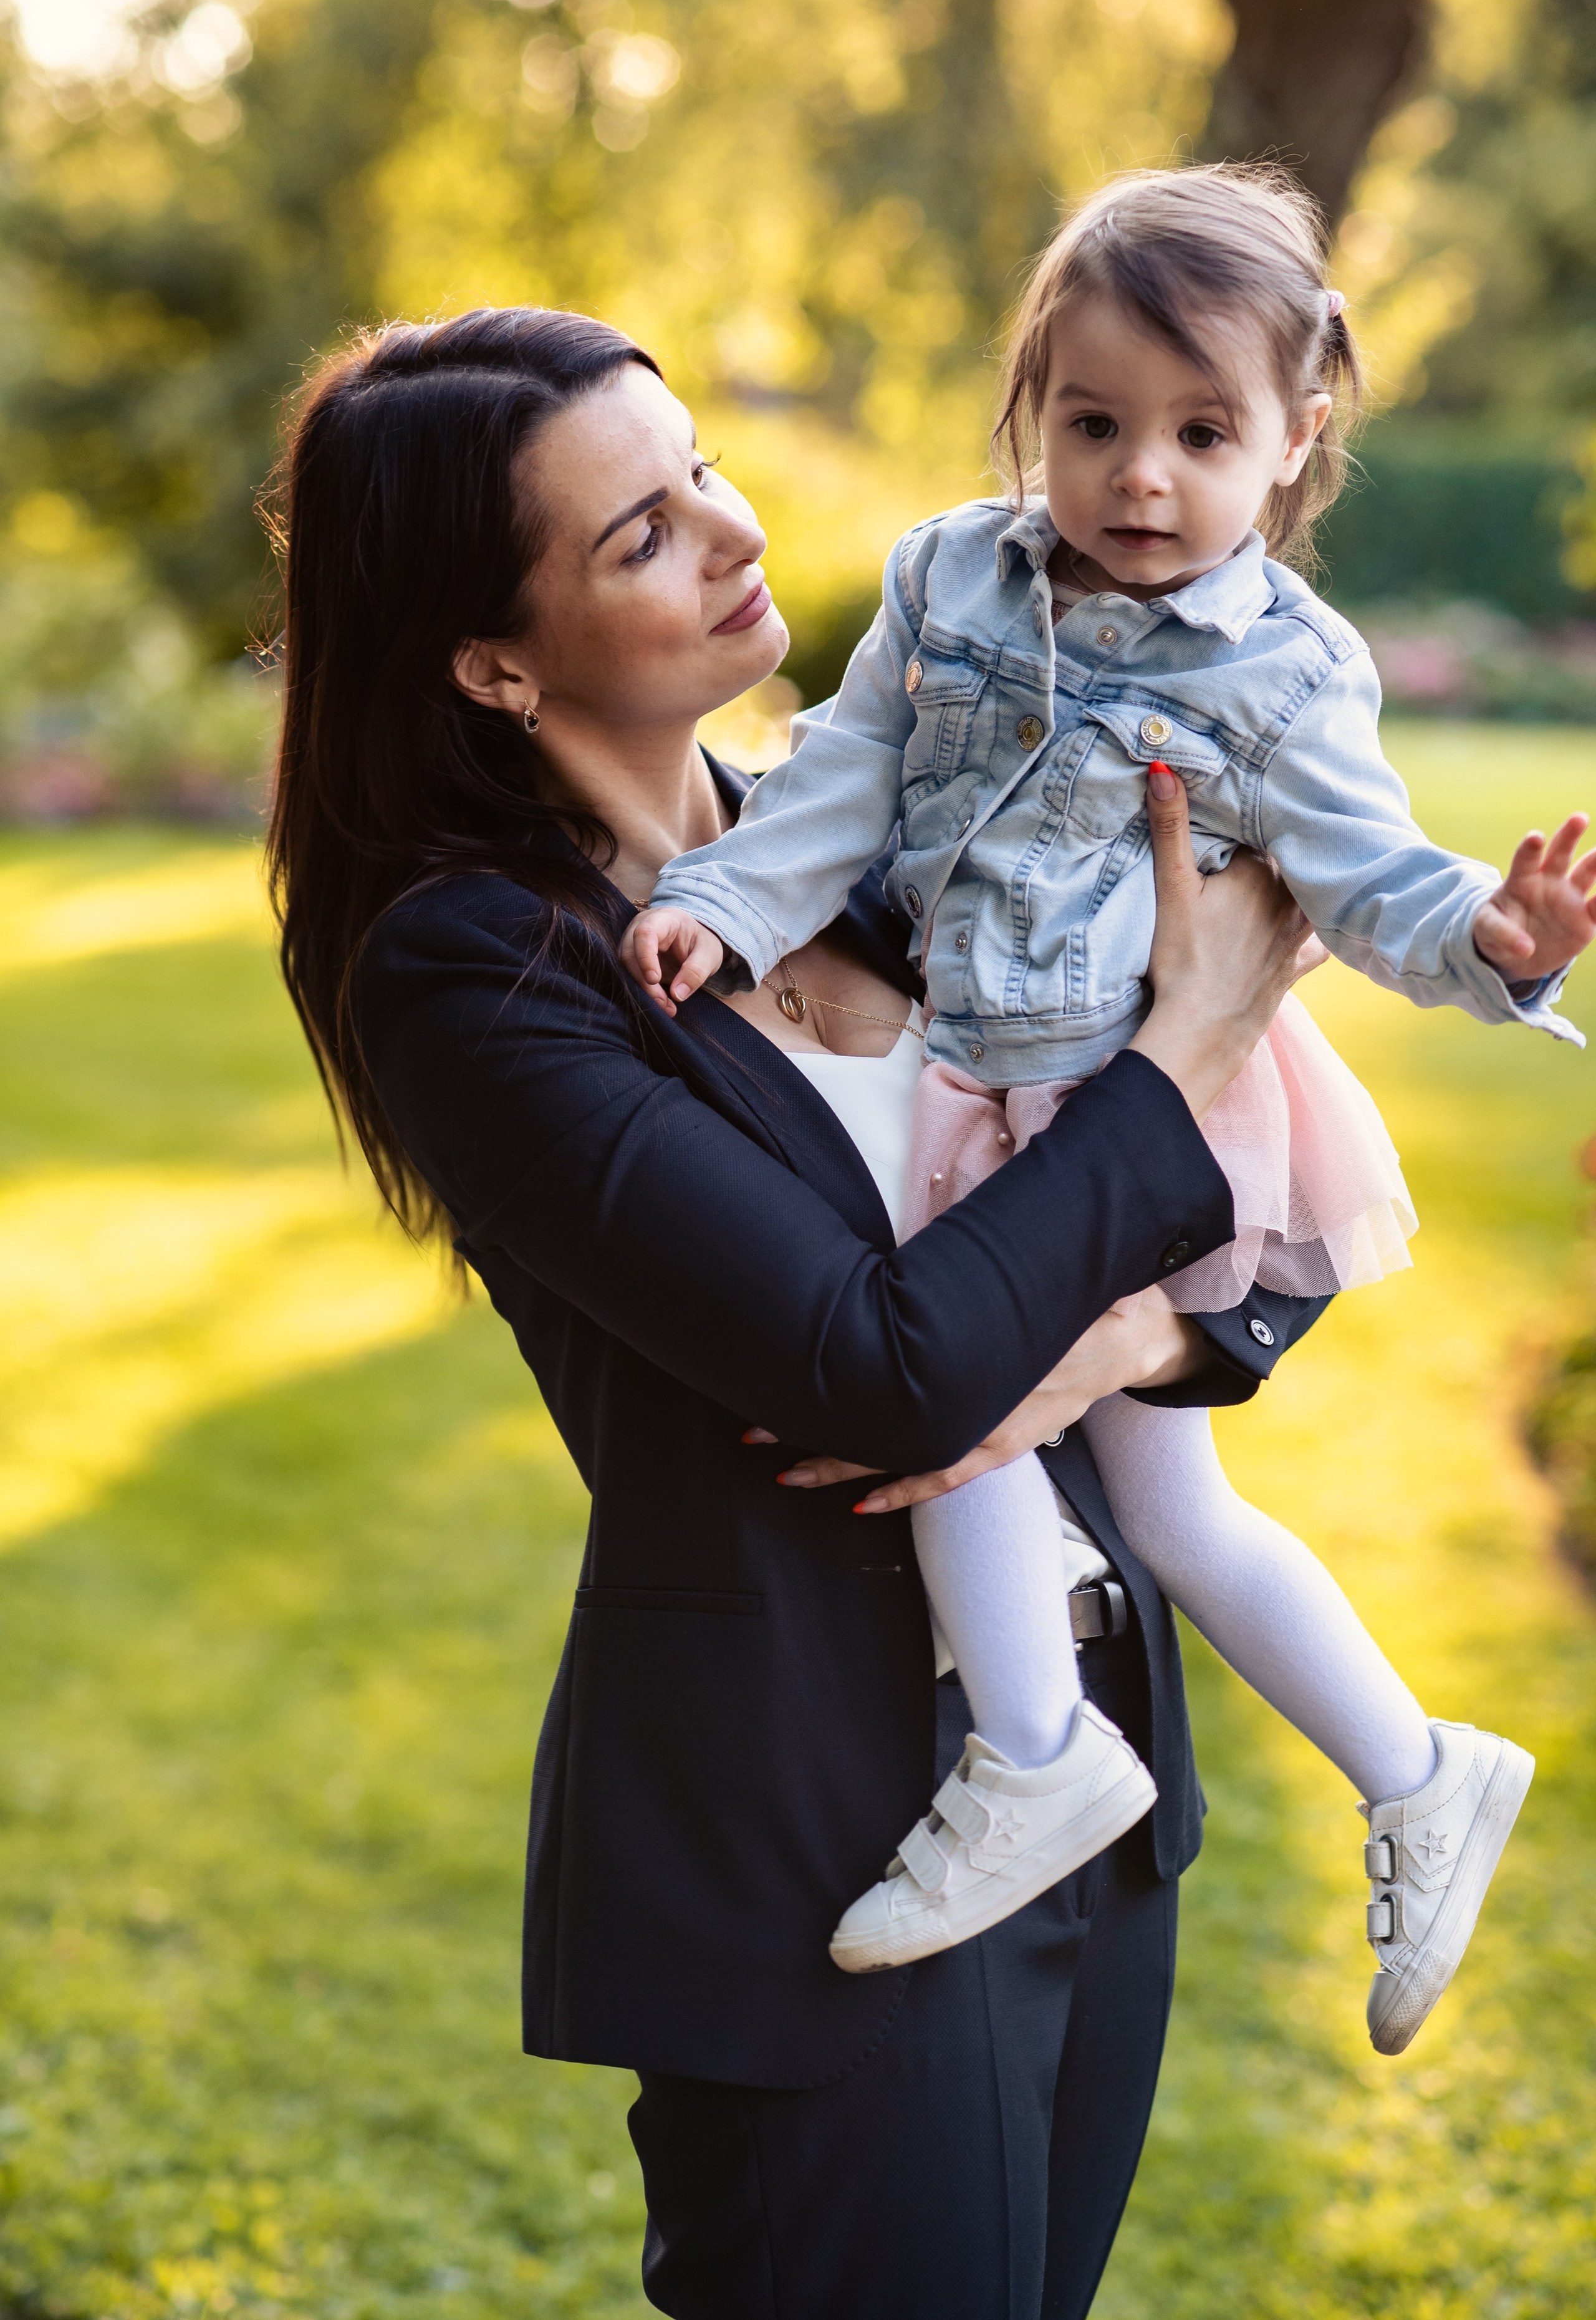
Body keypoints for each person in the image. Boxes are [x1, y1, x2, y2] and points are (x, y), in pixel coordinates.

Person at [265, 302, 1329, 2319]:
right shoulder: (475, 975)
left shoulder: (855, 832)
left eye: (704, 475)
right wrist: (1176, 1058)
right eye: (640, 538)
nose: (733, 534)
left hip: (1095, 1755)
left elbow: (1194, 1256)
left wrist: (1125, 1335)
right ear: (493, 660)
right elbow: (886, 1363)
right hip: (834, 1840)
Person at [623, 163, 1570, 2051]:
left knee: (971, 1414)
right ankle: (1420, 1763)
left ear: (1298, 439)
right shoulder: (947, 578)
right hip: (991, 1075)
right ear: (1031, 411)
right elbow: (839, 783)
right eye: (1097, 425)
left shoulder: (1287, 669)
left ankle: (1039, 1752)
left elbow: (1373, 884)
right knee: (1171, 1502)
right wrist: (719, 902)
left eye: (1204, 433)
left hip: (1143, 1102)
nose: (1144, 476)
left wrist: (1503, 937)